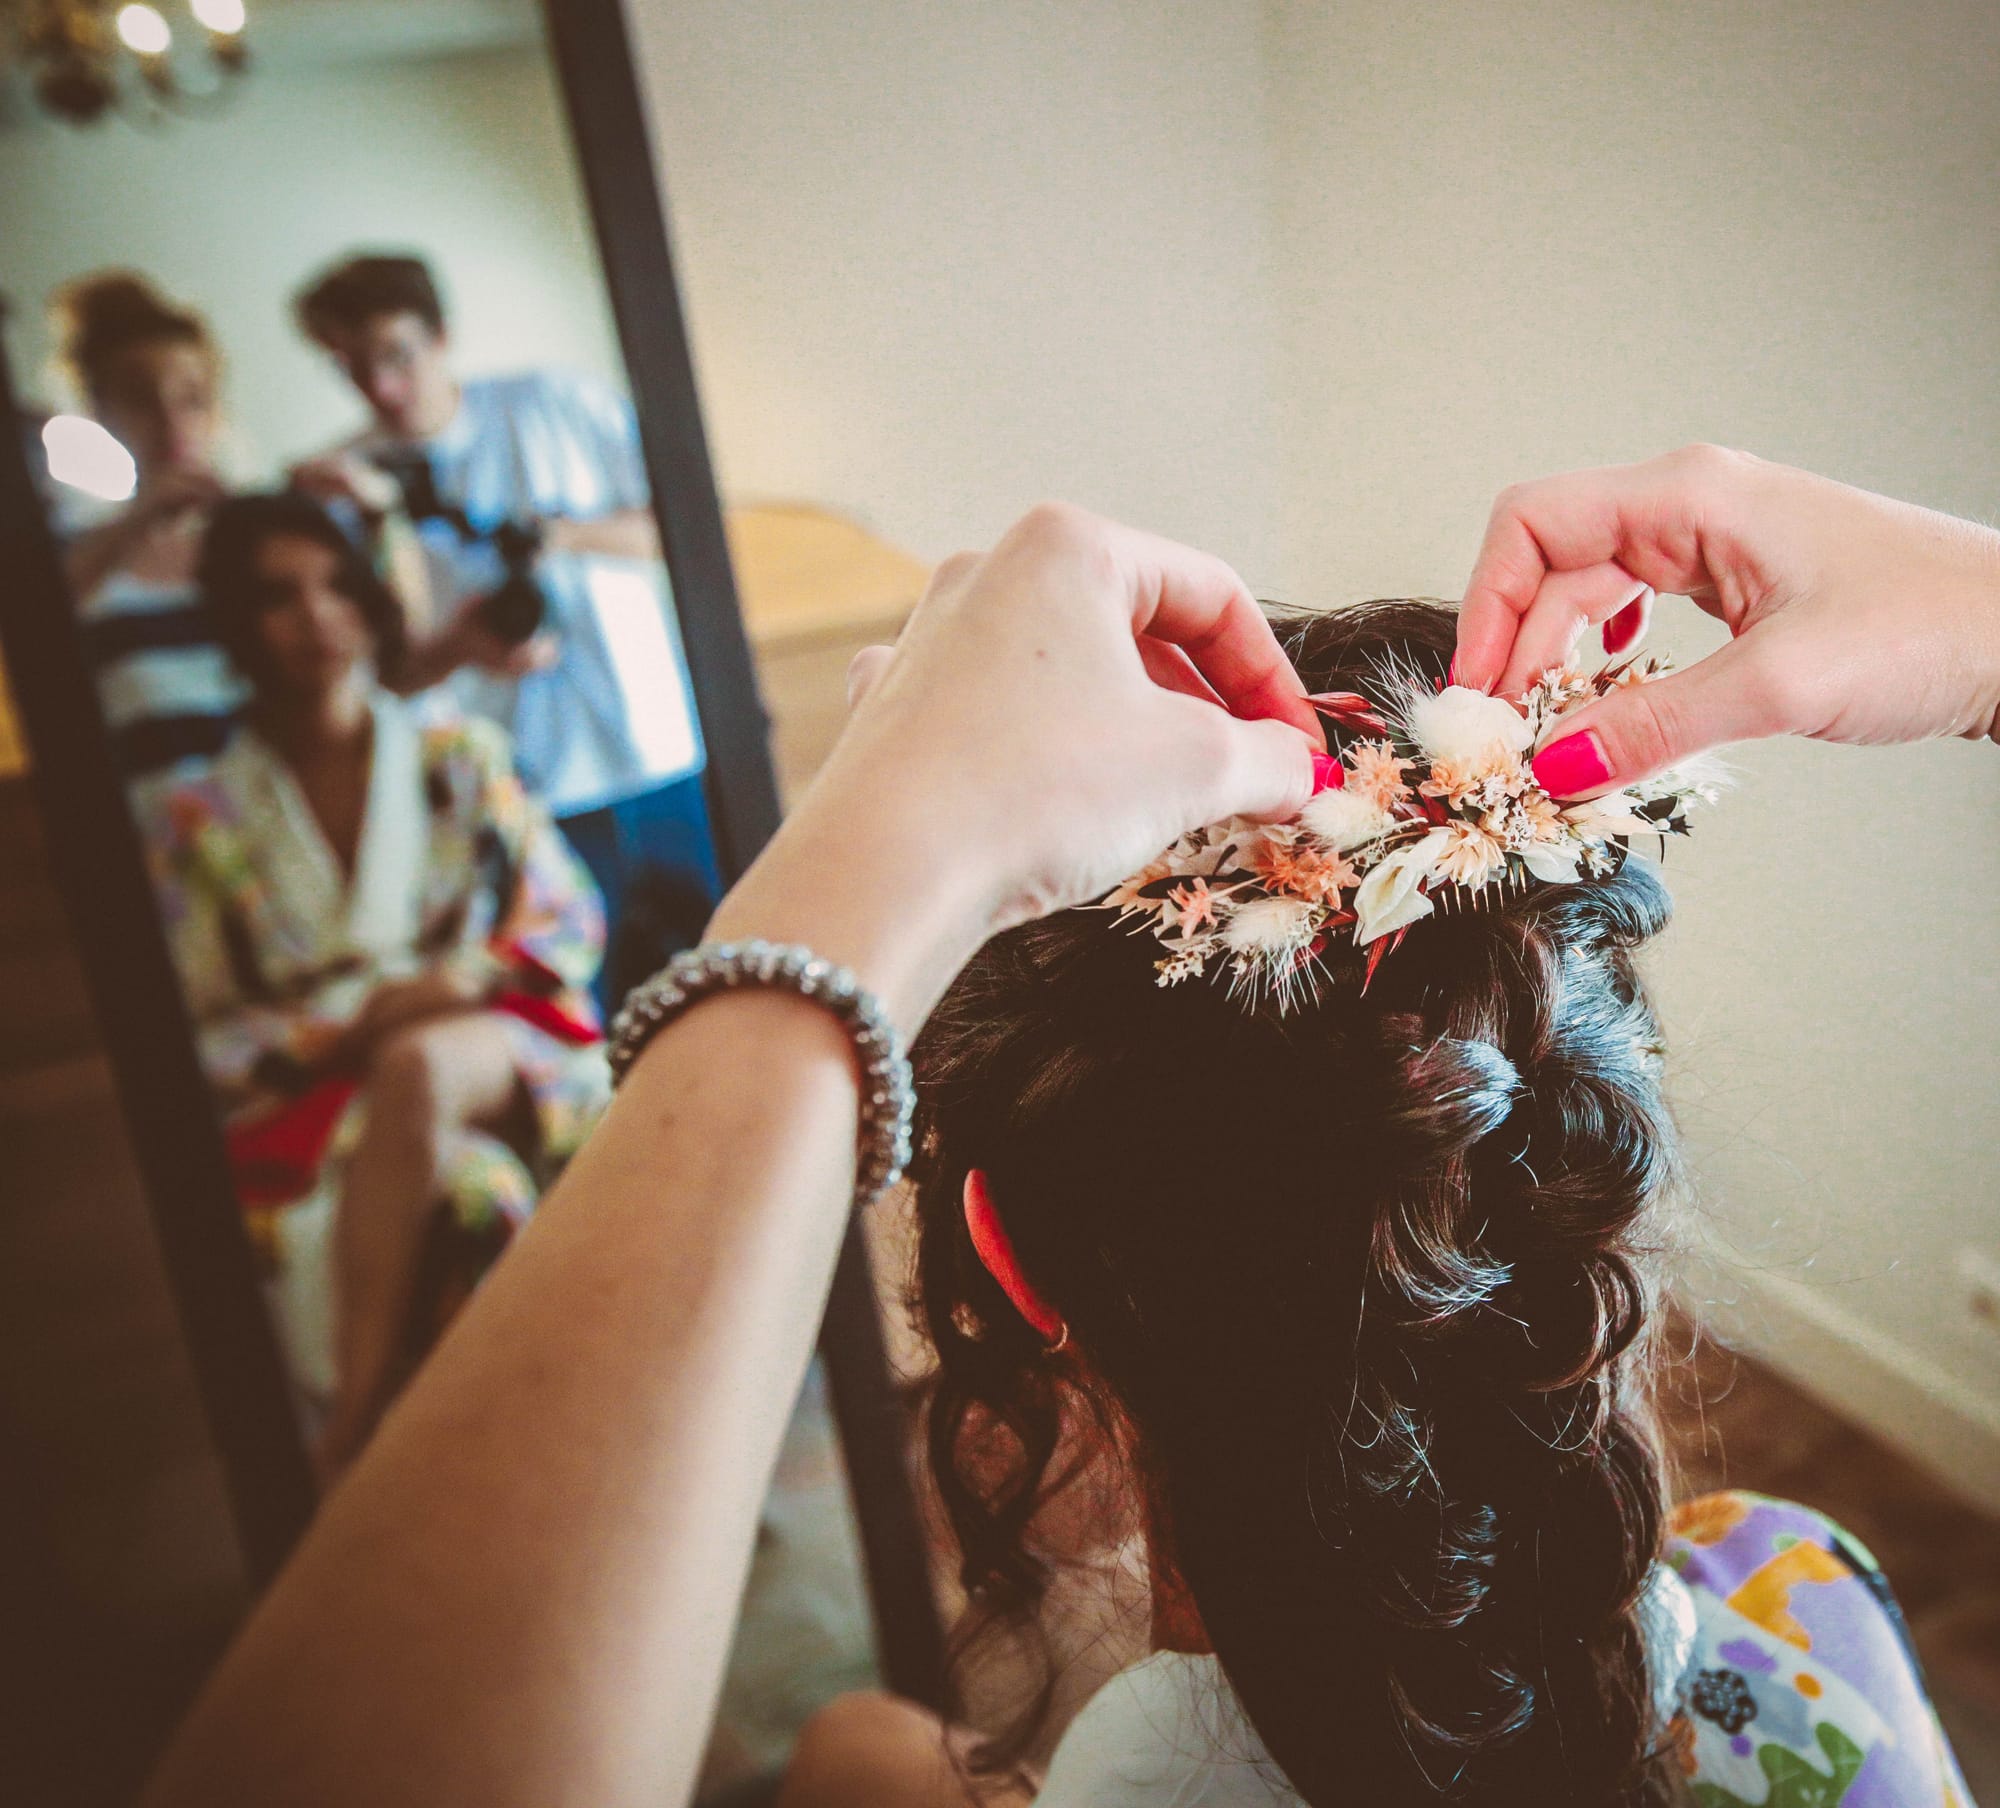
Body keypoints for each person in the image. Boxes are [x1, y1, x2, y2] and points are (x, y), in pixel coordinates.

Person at [139, 455, 1999, 1808]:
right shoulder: (1805, 1600)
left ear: (1011, 1274)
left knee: (855, 1757)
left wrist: (859, 876)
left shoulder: (1119, 1770)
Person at [139, 492, 611, 1478]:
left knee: (423, 1059)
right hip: (335, 1095)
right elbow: (201, 1026)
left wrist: (453, 978)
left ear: (366, 598)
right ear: (236, 619)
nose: (315, 616)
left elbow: (569, 919)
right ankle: (517, 1463)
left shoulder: (456, 756)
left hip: (499, 1038)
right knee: (472, 1190)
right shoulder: (199, 813)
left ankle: (352, 1433)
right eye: (278, 595)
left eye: (335, 585)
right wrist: (353, 1023)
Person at [291, 252, 720, 962]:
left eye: (396, 354)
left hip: (662, 749)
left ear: (441, 336)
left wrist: (560, 535)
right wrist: (461, 646)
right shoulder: (344, 488)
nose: (383, 386)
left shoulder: (554, 404)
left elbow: (683, 528)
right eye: (353, 366)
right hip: (520, 795)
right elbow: (373, 681)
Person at [49, 272, 239, 776]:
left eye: (192, 397)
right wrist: (134, 526)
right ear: (100, 412)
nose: (171, 422)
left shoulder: (261, 541)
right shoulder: (76, 560)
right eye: (140, 398)